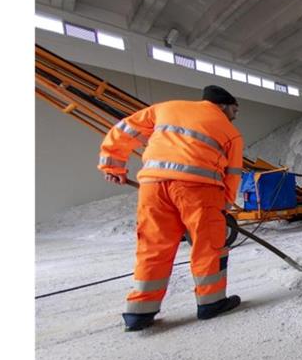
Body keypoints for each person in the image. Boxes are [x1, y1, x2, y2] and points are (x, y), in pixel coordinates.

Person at [98, 85, 244, 331]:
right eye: (234, 110)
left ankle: (139, 313)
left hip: (153, 186)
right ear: (223, 105)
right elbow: (232, 174)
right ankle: (211, 303)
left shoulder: (165, 108)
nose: (235, 115)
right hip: (200, 190)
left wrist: (113, 166)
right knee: (208, 246)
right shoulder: (231, 133)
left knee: (153, 247)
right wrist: (224, 206)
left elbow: (123, 131)